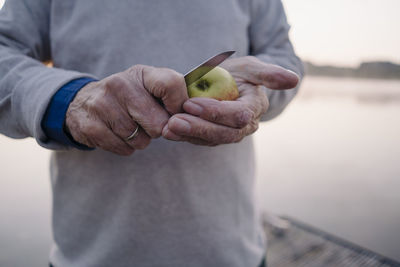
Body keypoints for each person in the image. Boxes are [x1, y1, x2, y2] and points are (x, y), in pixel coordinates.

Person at [0, 0, 303, 266]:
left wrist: (255, 91)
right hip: (90, 256)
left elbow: (284, 58)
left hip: (233, 252)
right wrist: (70, 102)